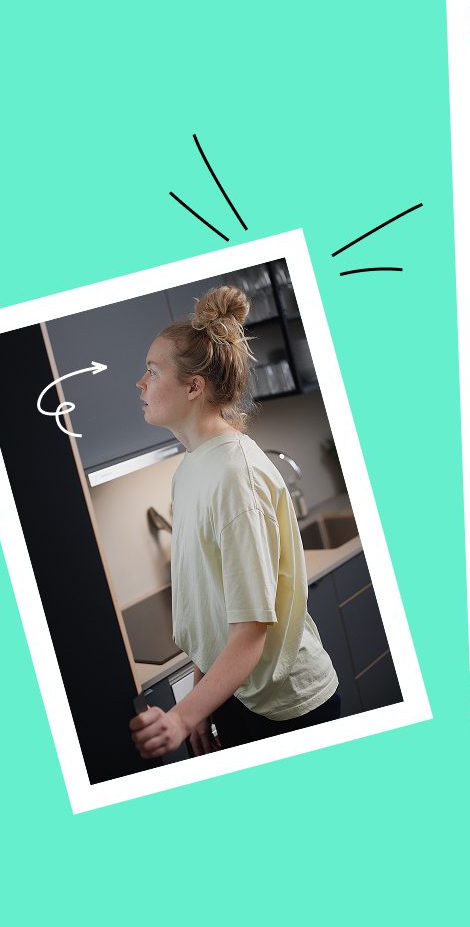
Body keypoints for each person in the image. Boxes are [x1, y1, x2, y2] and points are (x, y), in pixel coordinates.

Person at [127, 285, 341, 759]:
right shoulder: (192, 468)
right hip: (238, 694)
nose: (139, 383)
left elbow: (250, 629)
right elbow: (213, 608)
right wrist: (203, 700)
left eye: (152, 371)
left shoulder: (233, 476)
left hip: (288, 711)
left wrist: (182, 715)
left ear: (193, 387)